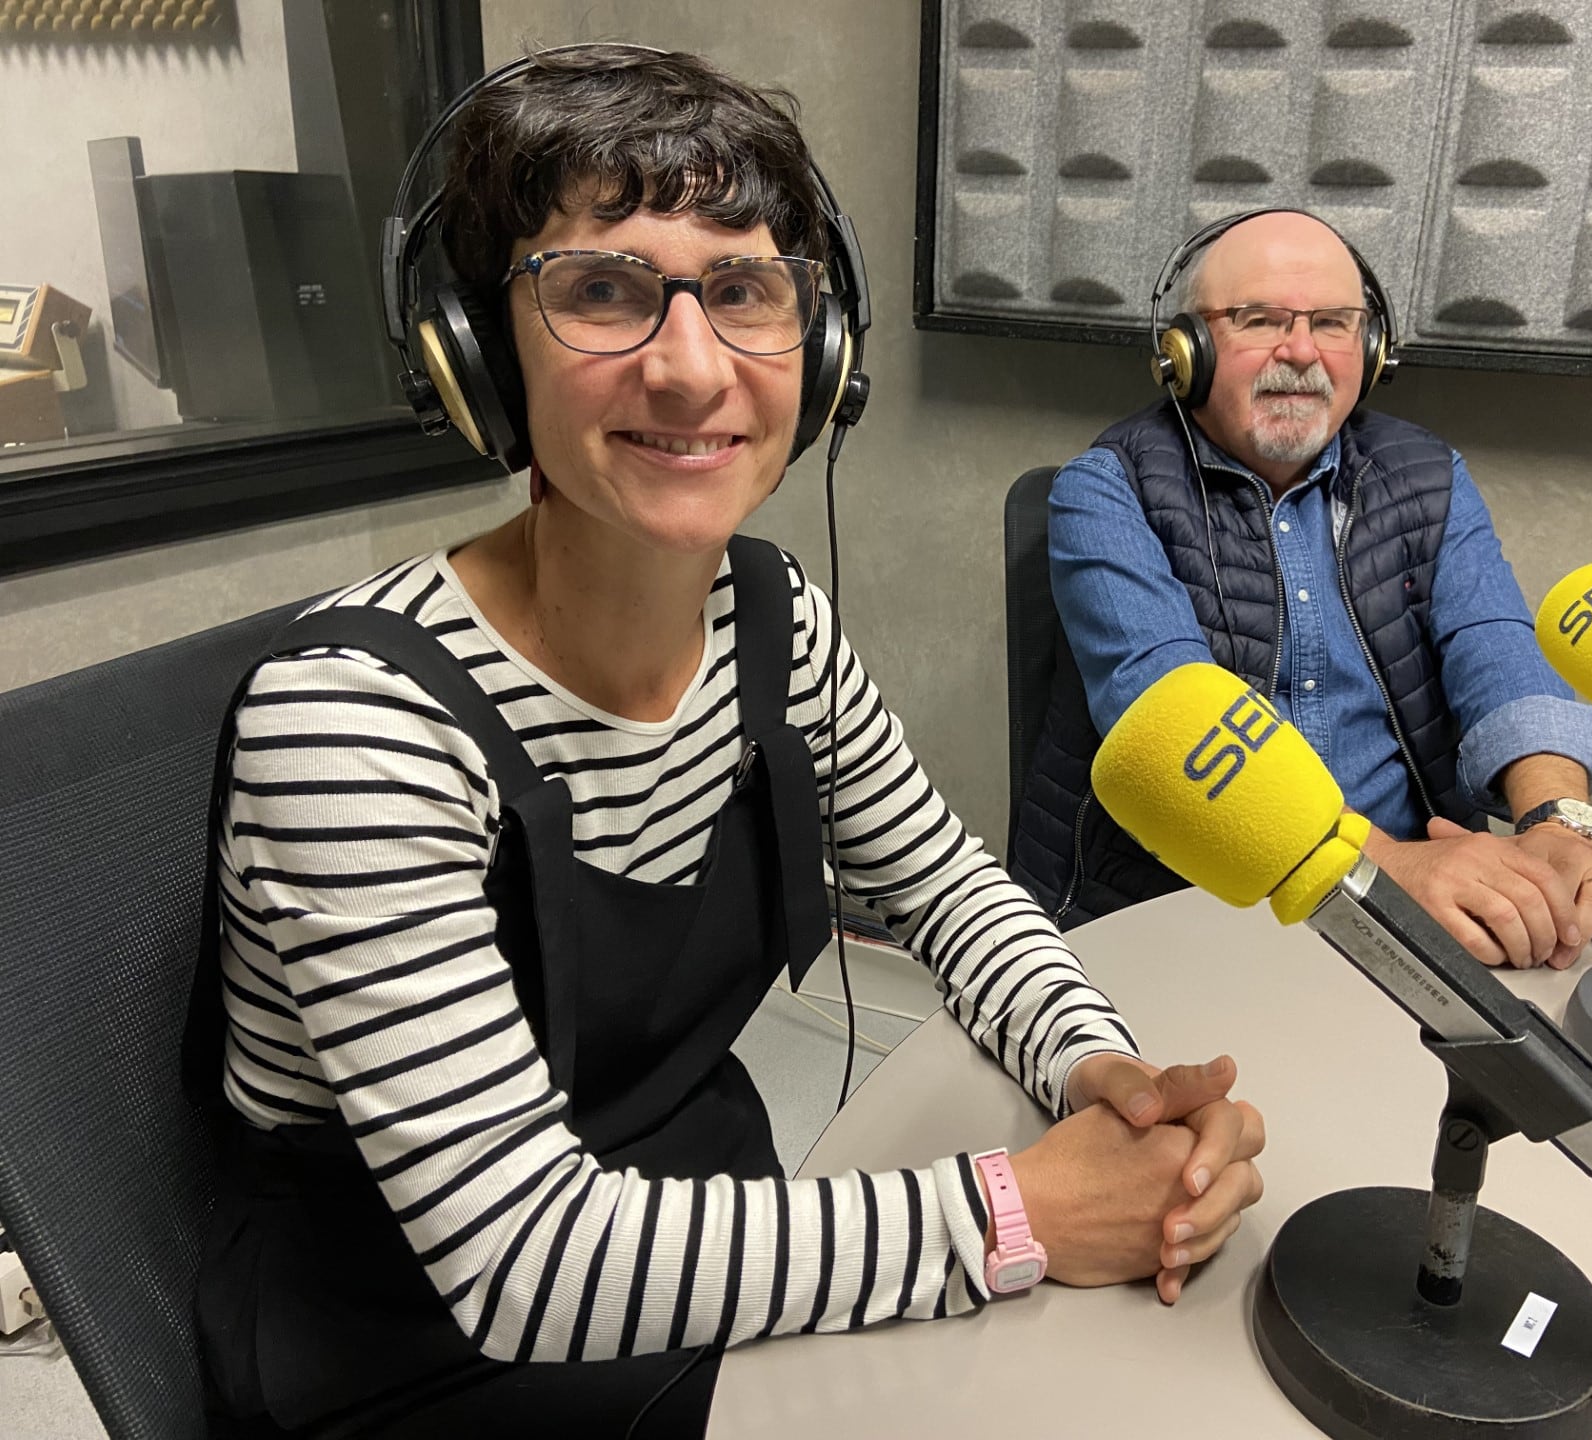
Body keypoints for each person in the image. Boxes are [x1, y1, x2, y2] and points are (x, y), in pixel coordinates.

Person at [185, 46, 1264, 1439]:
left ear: (816, 350)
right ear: (473, 352)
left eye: (744, 291)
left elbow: (949, 894)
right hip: (413, 1334)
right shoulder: (354, 723)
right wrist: (1023, 1212)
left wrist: (1100, 1076)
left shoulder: (774, 624)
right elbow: (525, 1258)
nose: (692, 368)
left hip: (694, 1220)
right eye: (601, 290)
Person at [1008, 208, 1592, 972]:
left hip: (1415, 910)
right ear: (1187, 350)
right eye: (1260, 319)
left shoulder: (1429, 476)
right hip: (1188, 906)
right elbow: (1176, 732)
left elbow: (1498, 651)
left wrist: (1557, 826)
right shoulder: (1106, 491)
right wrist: (1388, 867)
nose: (1302, 351)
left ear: (1371, 350)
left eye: (1334, 324)